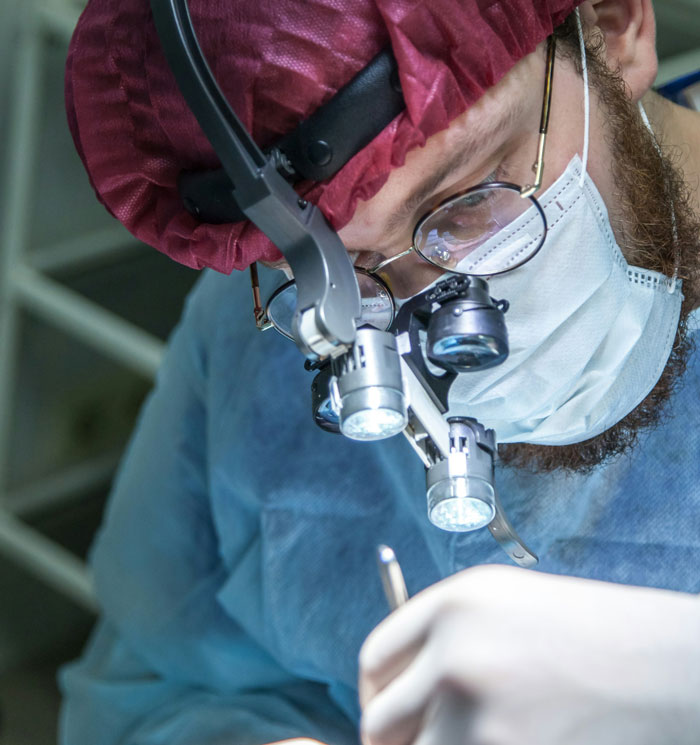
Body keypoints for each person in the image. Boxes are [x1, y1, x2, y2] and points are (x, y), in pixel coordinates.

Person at [60, 0, 700, 743]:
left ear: (615, 26)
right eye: (352, 276)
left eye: (464, 202)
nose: (430, 316)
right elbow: (157, 684)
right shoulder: (259, 339)